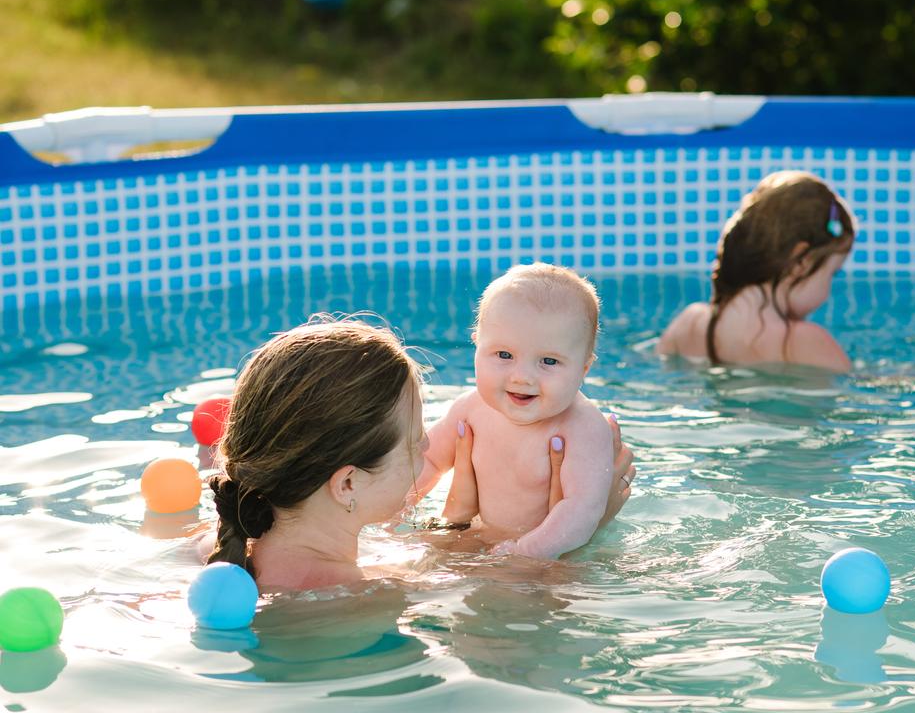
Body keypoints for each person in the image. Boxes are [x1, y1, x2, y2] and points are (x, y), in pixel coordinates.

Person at [206, 315, 634, 590]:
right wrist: (586, 532)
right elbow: (536, 617)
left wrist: (454, 527)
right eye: (414, 442)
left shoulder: (218, 543)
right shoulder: (366, 597)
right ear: (348, 483)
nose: (429, 445)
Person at [412, 263, 616, 560]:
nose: (522, 377)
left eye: (548, 361)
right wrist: (395, 511)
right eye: (504, 355)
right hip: (478, 540)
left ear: (584, 368)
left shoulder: (583, 427)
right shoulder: (471, 409)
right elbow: (427, 460)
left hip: (551, 558)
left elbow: (582, 507)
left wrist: (527, 551)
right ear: (476, 346)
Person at [657, 170, 856, 373]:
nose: (828, 292)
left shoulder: (689, 324)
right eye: (832, 273)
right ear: (801, 262)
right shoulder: (803, 342)